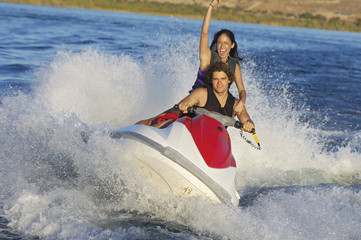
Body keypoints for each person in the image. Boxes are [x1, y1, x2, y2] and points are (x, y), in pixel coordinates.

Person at [150, 62, 255, 132]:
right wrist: (184, 105)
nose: (219, 83)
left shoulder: (236, 104)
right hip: (187, 131)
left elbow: (247, 120)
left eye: (223, 79)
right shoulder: (202, 93)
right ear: (211, 80)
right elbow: (179, 107)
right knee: (162, 123)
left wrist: (249, 125)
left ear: (229, 80)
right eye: (215, 79)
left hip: (213, 139)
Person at [189, 0, 247, 116]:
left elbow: (242, 90)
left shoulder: (233, 65)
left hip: (217, 108)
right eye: (219, 42)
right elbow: (204, 33)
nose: (222, 46)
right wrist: (211, 6)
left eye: (226, 43)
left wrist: (242, 102)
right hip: (197, 104)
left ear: (232, 45)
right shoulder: (208, 57)